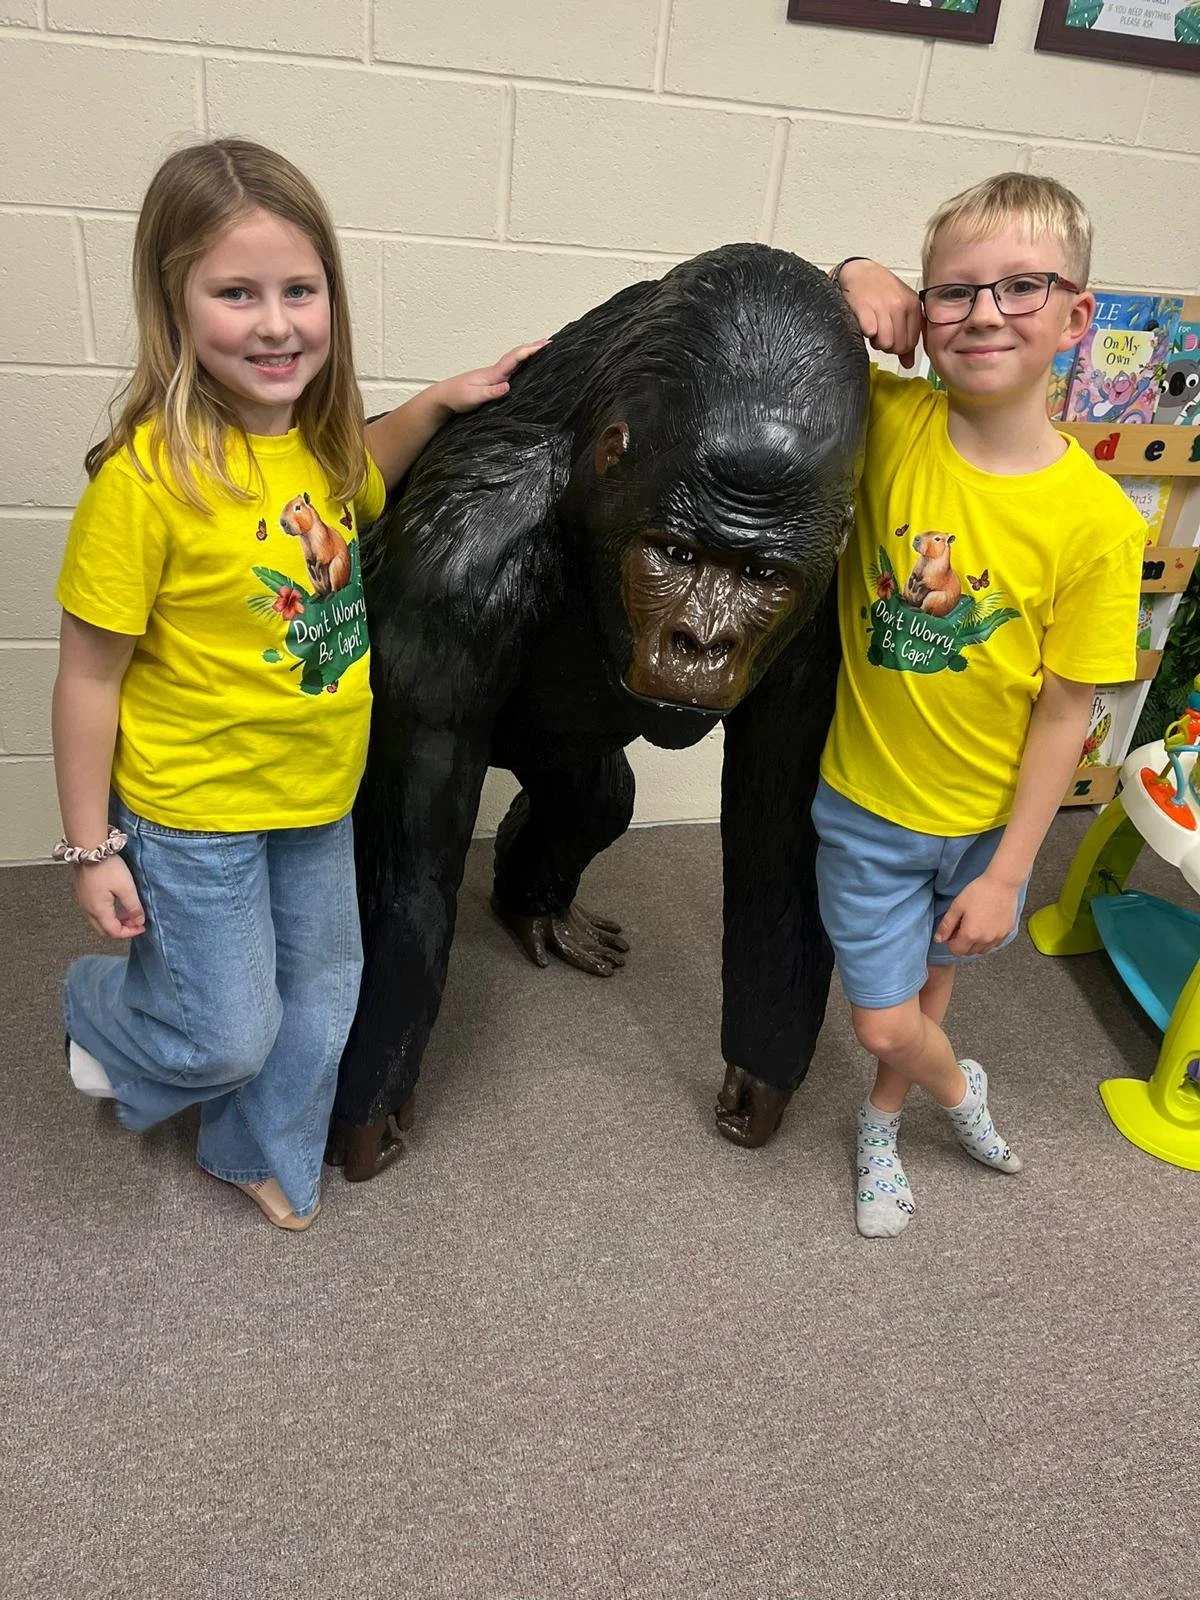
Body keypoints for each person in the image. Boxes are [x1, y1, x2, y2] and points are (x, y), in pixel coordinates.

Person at [52, 138, 542, 1231]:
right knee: (230, 1028)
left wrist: (440, 402)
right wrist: (93, 847)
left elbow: (367, 472)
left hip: (318, 796)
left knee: (318, 1009)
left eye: (299, 291)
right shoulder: (144, 483)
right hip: (195, 813)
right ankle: (97, 1009)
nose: (275, 324)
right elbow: (87, 677)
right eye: (236, 293)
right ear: (173, 304)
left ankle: (252, 1148)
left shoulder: (317, 450)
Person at [817, 173, 1144, 1237]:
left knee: (934, 997)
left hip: (986, 824)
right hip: (868, 808)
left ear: (1075, 316)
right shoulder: (891, 419)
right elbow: (806, 323)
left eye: (1021, 287)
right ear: (925, 313)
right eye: (953, 293)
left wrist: (1013, 872)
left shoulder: (1096, 522)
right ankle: (958, 1094)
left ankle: (882, 1123)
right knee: (883, 1020)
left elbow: (1066, 710)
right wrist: (851, 276)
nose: (986, 313)